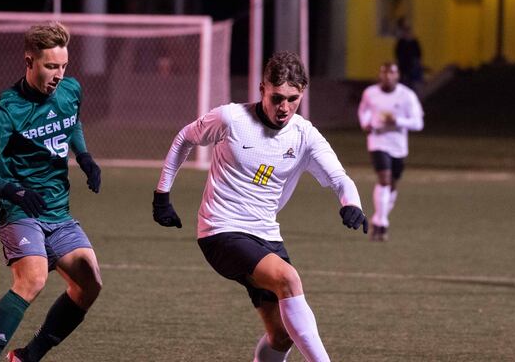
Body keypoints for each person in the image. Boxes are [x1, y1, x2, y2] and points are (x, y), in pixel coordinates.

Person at [152, 50, 367, 362]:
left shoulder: (304, 134)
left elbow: (339, 177)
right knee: (289, 278)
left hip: (266, 235)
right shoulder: (231, 118)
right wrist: (162, 195)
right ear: (262, 88)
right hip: (220, 231)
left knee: (281, 336)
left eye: (292, 99)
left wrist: (351, 204)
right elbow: (184, 138)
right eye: (277, 97)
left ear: (302, 93)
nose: (284, 107)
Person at [0, 22, 103, 361]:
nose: (58, 74)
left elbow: (71, 120)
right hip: (19, 210)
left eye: (63, 66)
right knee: (34, 278)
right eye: (50, 66)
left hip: (57, 210)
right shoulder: (7, 109)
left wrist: (83, 156)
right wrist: (13, 191)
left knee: (90, 283)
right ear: (29, 61)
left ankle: (28, 356)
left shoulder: (70, 90)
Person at [358, 62, 424, 241]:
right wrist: (366, 123)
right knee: (384, 180)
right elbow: (363, 111)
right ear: (380, 75)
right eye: (384, 73)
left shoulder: (407, 96)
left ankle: (378, 218)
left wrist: (397, 120)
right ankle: (383, 223)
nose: (387, 76)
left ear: (397, 75)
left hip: (398, 146)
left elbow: (418, 123)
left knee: (392, 185)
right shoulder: (370, 93)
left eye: (391, 73)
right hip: (378, 142)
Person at [394, 18, 423, 94]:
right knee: (404, 82)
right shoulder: (401, 42)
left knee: (414, 82)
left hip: (413, 65)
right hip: (404, 65)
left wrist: (417, 62)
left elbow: (418, 54)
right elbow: (397, 53)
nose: (407, 33)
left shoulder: (414, 41)